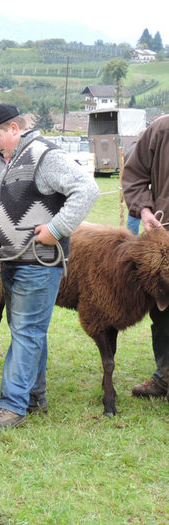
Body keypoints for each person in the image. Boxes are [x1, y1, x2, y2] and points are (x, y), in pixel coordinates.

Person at [0, 104, 99, 432]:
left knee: (27, 332)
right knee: (29, 332)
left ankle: (12, 405)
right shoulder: (14, 159)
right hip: (14, 260)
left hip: (39, 264)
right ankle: (33, 395)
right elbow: (12, 204)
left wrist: (56, 229)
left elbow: (87, 189)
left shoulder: (45, 155)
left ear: (14, 129)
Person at [122, 114, 169, 399]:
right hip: (164, 239)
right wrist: (145, 210)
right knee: (163, 310)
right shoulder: (162, 129)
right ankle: (163, 378)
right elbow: (134, 175)